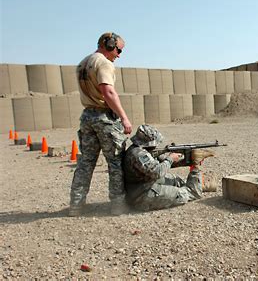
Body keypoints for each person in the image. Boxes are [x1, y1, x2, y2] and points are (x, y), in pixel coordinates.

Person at [69, 32, 133, 217]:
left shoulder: (84, 62)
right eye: (118, 49)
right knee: (115, 162)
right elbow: (108, 92)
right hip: (104, 118)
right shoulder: (104, 63)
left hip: (87, 117)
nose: (119, 54)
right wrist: (124, 117)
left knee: (85, 163)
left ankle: (76, 205)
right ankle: (118, 206)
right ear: (110, 44)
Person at [123, 125, 207, 211]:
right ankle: (195, 189)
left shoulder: (141, 149)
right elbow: (157, 172)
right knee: (185, 194)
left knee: (177, 180)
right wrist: (170, 158)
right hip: (141, 195)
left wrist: (188, 160)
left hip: (145, 183)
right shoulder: (138, 154)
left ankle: (197, 185)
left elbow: (162, 164)